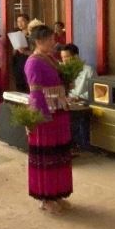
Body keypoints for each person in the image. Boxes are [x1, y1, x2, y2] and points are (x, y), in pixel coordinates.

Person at [24, 25, 73, 212]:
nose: (54, 42)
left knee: (59, 154)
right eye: (50, 39)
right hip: (45, 114)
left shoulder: (51, 58)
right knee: (47, 156)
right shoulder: (33, 62)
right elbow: (35, 92)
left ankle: (57, 193)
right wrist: (39, 116)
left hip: (58, 111)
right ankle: (45, 197)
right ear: (38, 41)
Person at [11, 13, 32, 92]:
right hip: (17, 60)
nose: (20, 23)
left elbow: (37, 51)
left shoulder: (31, 34)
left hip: (28, 60)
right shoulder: (17, 34)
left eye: (22, 21)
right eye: (18, 21)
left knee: (28, 82)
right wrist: (15, 49)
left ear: (28, 21)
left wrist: (25, 52)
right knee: (19, 83)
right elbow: (14, 51)